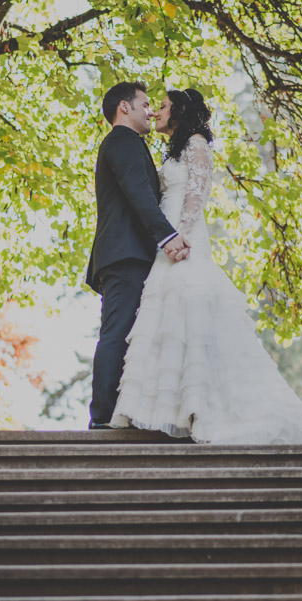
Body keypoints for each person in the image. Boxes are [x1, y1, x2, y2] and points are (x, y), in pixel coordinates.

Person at [108, 88, 302, 444]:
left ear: (179, 110)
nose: (154, 112)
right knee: (165, 320)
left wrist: (181, 236)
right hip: (167, 243)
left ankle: (198, 406)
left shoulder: (196, 143)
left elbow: (196, 193)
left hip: (183, 239)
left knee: (187, 312)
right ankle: (167, 408)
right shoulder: (172, 150)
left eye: (161, 106)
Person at [86, 81, 192, 430]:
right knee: (117, 333)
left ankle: (122, 411)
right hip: (125, 255)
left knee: (129, 333)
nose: (151, 111)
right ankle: (102, 418)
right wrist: (168, 236)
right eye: (145, 104)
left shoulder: (129, 144)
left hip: (129, 255)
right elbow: (138, 193)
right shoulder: (123, 141)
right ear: (124, 108)